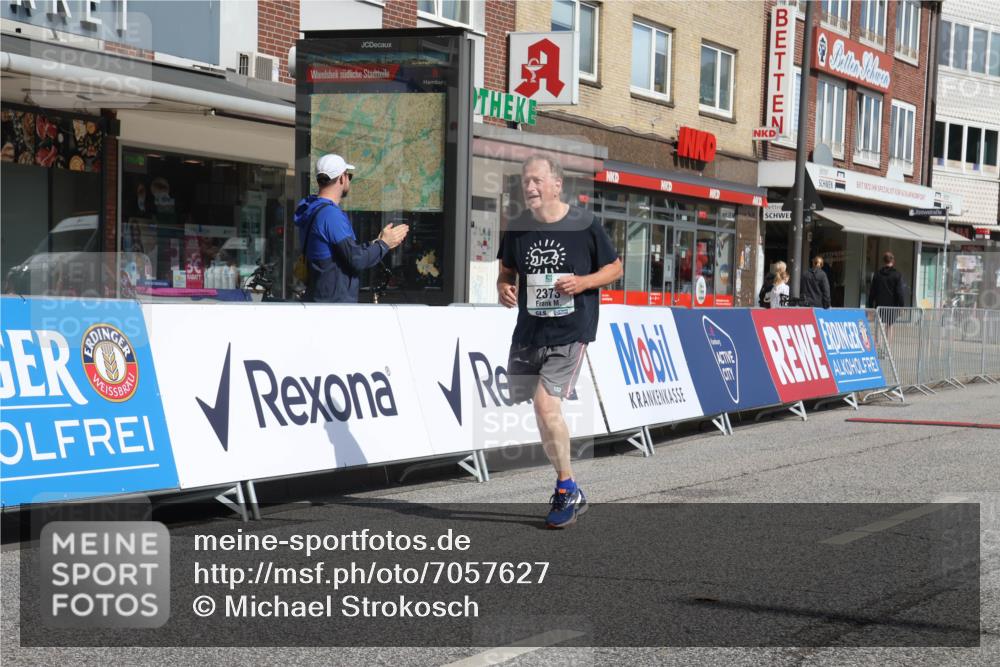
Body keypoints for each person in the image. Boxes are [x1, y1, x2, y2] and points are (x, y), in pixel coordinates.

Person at [497, 154, 623, 529]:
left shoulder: (584, 224)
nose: (530, 187)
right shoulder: (518, 227)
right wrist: (504, 287)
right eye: (525, 181)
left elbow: (615, 267)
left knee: (545, 404)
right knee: (541, 411)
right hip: (530, 331)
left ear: (557, 184)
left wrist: (582, 283)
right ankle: (570, 485)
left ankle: (566, 488)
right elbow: (506, 270)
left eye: (537, 180)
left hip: (571, 330)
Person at [293, 154, 409, 303]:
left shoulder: (313, 209)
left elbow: (343, 254)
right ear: (342, 178)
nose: (349, 180)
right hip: (333, 305)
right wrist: (384, 244)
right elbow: (356, 260)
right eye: (349, 176)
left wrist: (376, 243)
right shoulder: (330, 215)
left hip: (319, 299)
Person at [868, 251, 907, 328]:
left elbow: (872, 291)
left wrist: (870, 305)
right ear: (893, 261)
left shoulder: (877, 274)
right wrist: (901, 306)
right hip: (892, 306)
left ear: (884, 261)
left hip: (879, 305)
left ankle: (879, 337)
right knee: (889, 326)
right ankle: (888, 336)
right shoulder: (897, 274)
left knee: (879, 326)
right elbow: (900, 292)